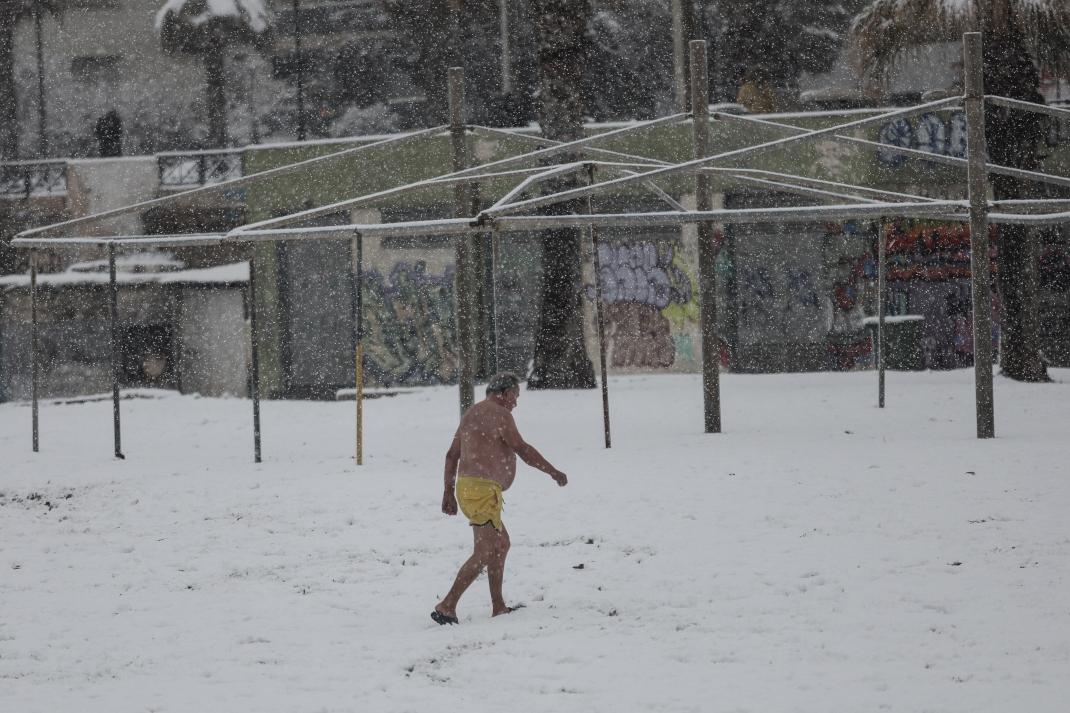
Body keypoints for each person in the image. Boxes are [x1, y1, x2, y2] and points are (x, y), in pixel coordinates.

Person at [431, 372, 568, 625]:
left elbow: (452, 455)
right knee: (485, 551)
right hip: (482, 491)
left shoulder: (470, 414)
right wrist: (553, 471)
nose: (516, 403)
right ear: (503, 394)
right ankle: (447, 605)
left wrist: (448, 492)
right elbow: (523, 450)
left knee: (501, 544)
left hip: (468, 488)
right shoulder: (501, 414)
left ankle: (498, 606)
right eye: (514, 397)